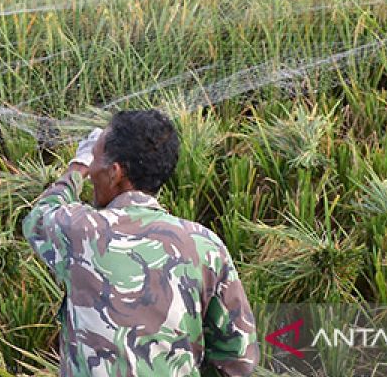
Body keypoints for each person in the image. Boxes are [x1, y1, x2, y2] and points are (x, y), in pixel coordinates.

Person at [23, 109, 258, 376]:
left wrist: (77, 168)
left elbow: (39, 216)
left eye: (95, 160)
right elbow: (238, 357)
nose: (92, 171)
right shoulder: (205, 245)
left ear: (114, 173)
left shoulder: (81, 232)